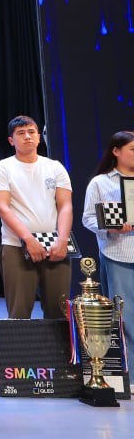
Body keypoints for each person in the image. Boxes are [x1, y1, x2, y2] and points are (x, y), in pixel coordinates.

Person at [0, 115, 74, 319]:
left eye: (31, 132)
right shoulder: (2, 167)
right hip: (17, 245)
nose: (27, 136)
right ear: (11, 140)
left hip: (54, 244)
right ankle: (18, 344)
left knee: (58, 311)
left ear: (38, 137)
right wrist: (28, 239)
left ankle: (56, 344)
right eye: (21, 133)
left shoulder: (54, 166)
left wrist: (63, 240)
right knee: (19, 311)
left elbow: (65, 206)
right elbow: (2, 208)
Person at [81, 131, 134, 360]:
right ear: (116, 151)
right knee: (125, 316)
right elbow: (88, 218)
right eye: (133, 149)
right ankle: (130, 371)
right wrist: (111, 228)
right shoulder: (100, 182)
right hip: (118, 253)